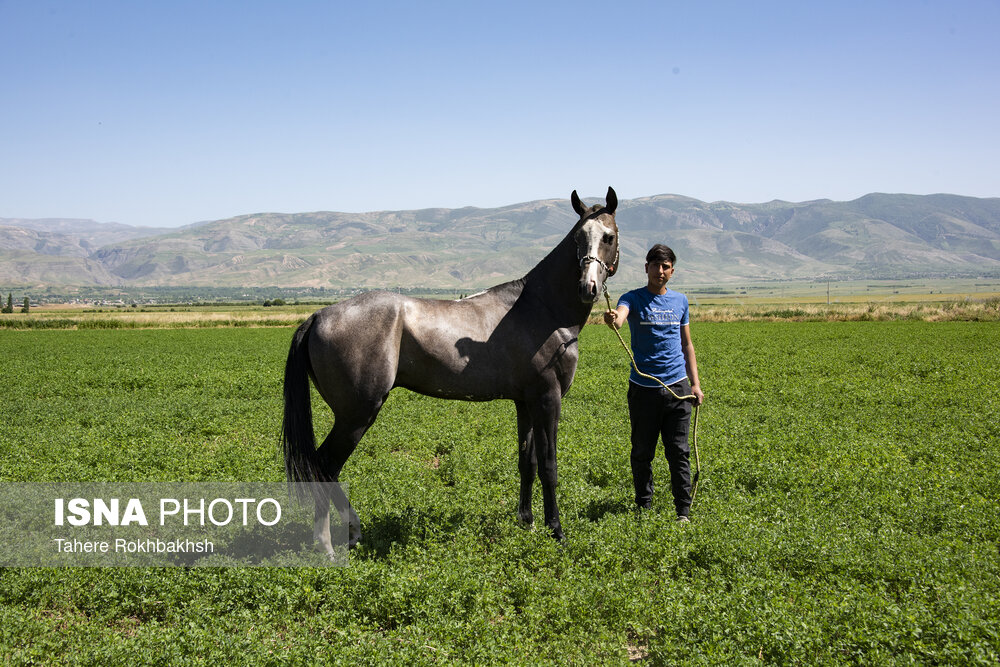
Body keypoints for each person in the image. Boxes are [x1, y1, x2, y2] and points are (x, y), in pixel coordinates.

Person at [603, 244, 704, 522]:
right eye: (655, 265)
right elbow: (620, 318)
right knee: (642, 452)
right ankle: (643, 508)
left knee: (679, 453)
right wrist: (613, 318)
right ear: (645, 267)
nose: (660, 271)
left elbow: (687, 344)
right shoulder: (632, 298)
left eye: (666, 266)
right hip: (643, 390)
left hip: (679, 390)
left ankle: (682, 512)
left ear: (672, 271)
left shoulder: (680, 301)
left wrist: (695, 384)